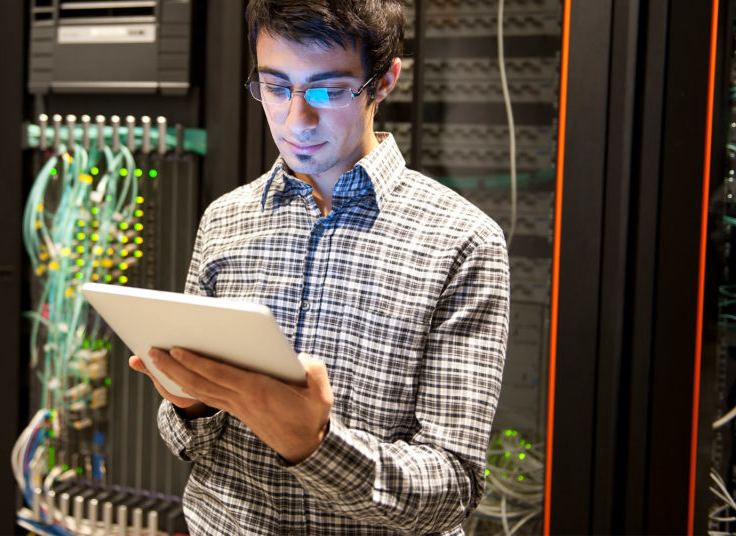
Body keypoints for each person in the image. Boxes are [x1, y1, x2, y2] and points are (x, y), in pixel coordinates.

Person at [128, 1, 510, 534]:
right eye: (276, 87)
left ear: (383, 81)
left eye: (328, 90)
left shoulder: (462, 242)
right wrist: (192, 406)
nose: (296, 119)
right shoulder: (225, 221)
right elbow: (187, 444)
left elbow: (454, 487)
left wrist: (313, 443)